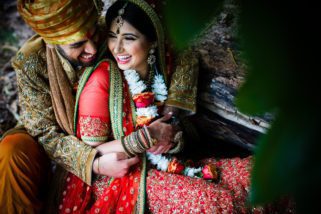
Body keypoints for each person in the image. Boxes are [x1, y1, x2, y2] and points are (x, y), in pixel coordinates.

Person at [57, 1, 256, 213]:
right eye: (113, 36)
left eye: (129, 38)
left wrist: (171, 136)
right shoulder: (101, 80)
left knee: (252, 175)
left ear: (153, 41)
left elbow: (177, 126)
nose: (117, 47)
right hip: (120, 176)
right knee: (215, 201)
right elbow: (89, 152)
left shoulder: (163, 67)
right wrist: (144, 138)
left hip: (168, 162)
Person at [0, 0, 198, 213]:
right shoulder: (31, 62)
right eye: (77, 45)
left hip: (116, 132)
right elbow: (44, 133)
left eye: (93, 34)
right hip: (59, 139)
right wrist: (94, 164)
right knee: (11, 152)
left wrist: (171, 114)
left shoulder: (111, 29)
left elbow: (181, 51)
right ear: (52, 43)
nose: (93, 48)